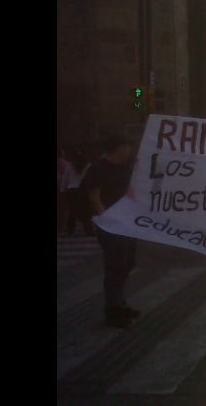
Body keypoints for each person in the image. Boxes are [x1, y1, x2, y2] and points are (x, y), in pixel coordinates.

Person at [83, 135, 140, 328]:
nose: (129, 150)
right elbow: (94, 195)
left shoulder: (125, 167)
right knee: (115, 266)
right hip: (111, 225)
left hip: (128, 223)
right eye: (127, 146)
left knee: (127, 263)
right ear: (118, 148)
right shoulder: (98, 168)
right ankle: (113, 311)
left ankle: (120, 303)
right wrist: (105, 217)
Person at [60, 148, 94, 236]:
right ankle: (88, 230)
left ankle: (70, 231)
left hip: (72, 190)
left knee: (72, 211)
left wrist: (62, 189)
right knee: (86, 211)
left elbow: (65, 178)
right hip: (83, 190)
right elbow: (90, 179)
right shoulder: (88, 165)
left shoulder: (70, 165)